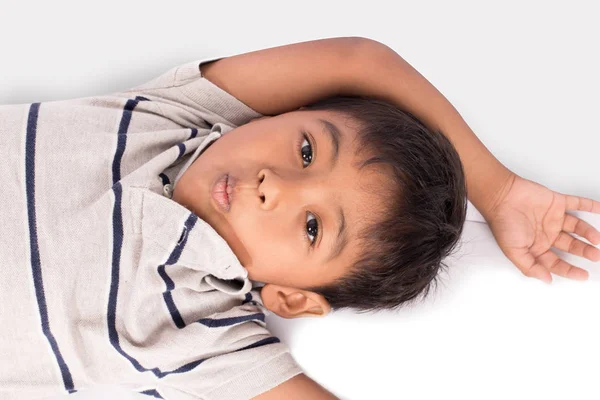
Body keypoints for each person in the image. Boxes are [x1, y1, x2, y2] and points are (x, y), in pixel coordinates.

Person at [1, 37, 598, 400]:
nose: (275, 186)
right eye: (307, 150)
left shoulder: (204, 338)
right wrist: (500, 189)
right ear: (287, 114)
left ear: (289, 298)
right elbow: (360, 59)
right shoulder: (177, 117)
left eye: (313, 228)